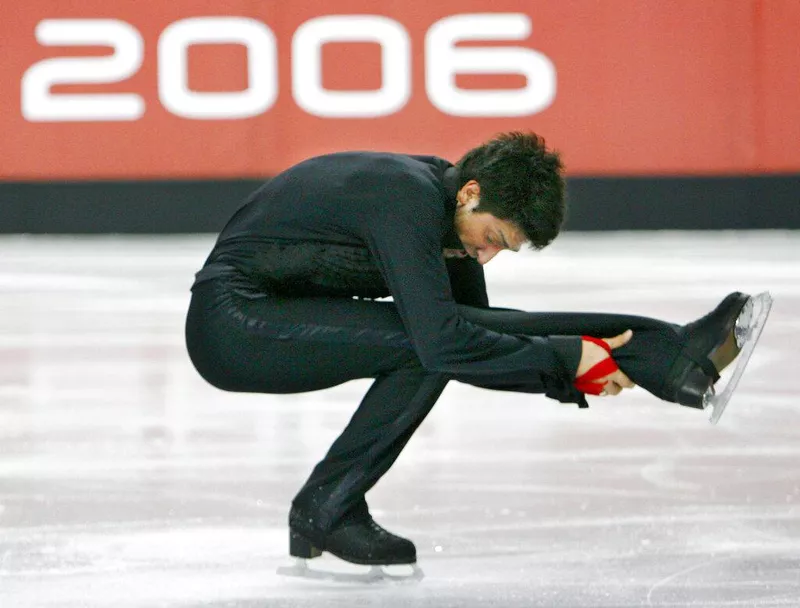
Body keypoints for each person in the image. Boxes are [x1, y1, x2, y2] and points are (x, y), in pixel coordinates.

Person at [185, 132, 752, 568]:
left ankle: (668, 353)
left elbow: (485, 333)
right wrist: (564, 364)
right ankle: (324, 509)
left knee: (446, 339)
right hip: (232, 324)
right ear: (472, 193)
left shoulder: (445, 204)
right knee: (427, 346)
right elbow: (445, 344)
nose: (487, 258)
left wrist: (586, 359)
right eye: (495, 239)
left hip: (270, 313)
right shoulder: (403, 200)